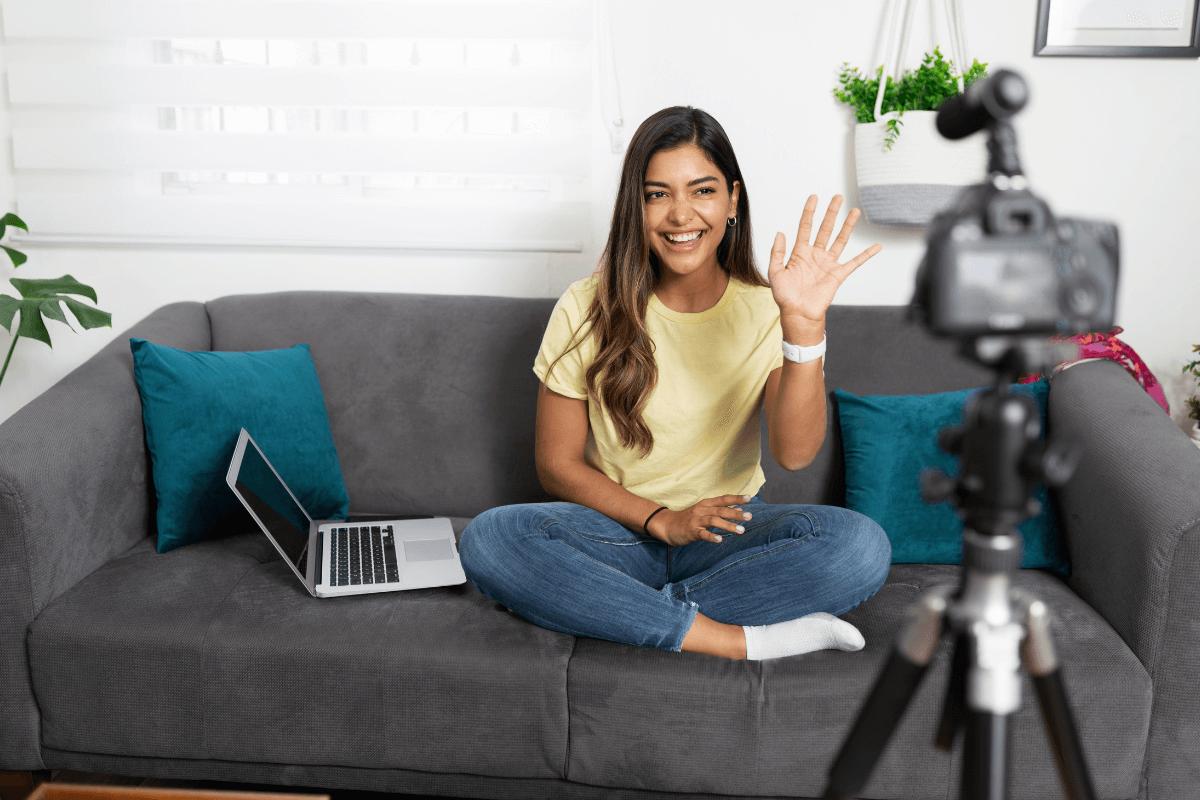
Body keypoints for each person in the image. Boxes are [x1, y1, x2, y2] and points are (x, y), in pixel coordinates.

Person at [458, 106, 891, 660]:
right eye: (656, 194)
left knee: (860, 547)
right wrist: (661, 521)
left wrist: (804, 328)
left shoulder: (765, 309)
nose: (680, 214)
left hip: (726, 536)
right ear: (634, 208)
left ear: (732, 200)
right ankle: (732, 641)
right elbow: (557, 464)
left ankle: (617, 612)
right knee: (491, 538)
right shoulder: (585, 306)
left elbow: (796, 454)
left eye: (702, 190)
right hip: (614, 531)